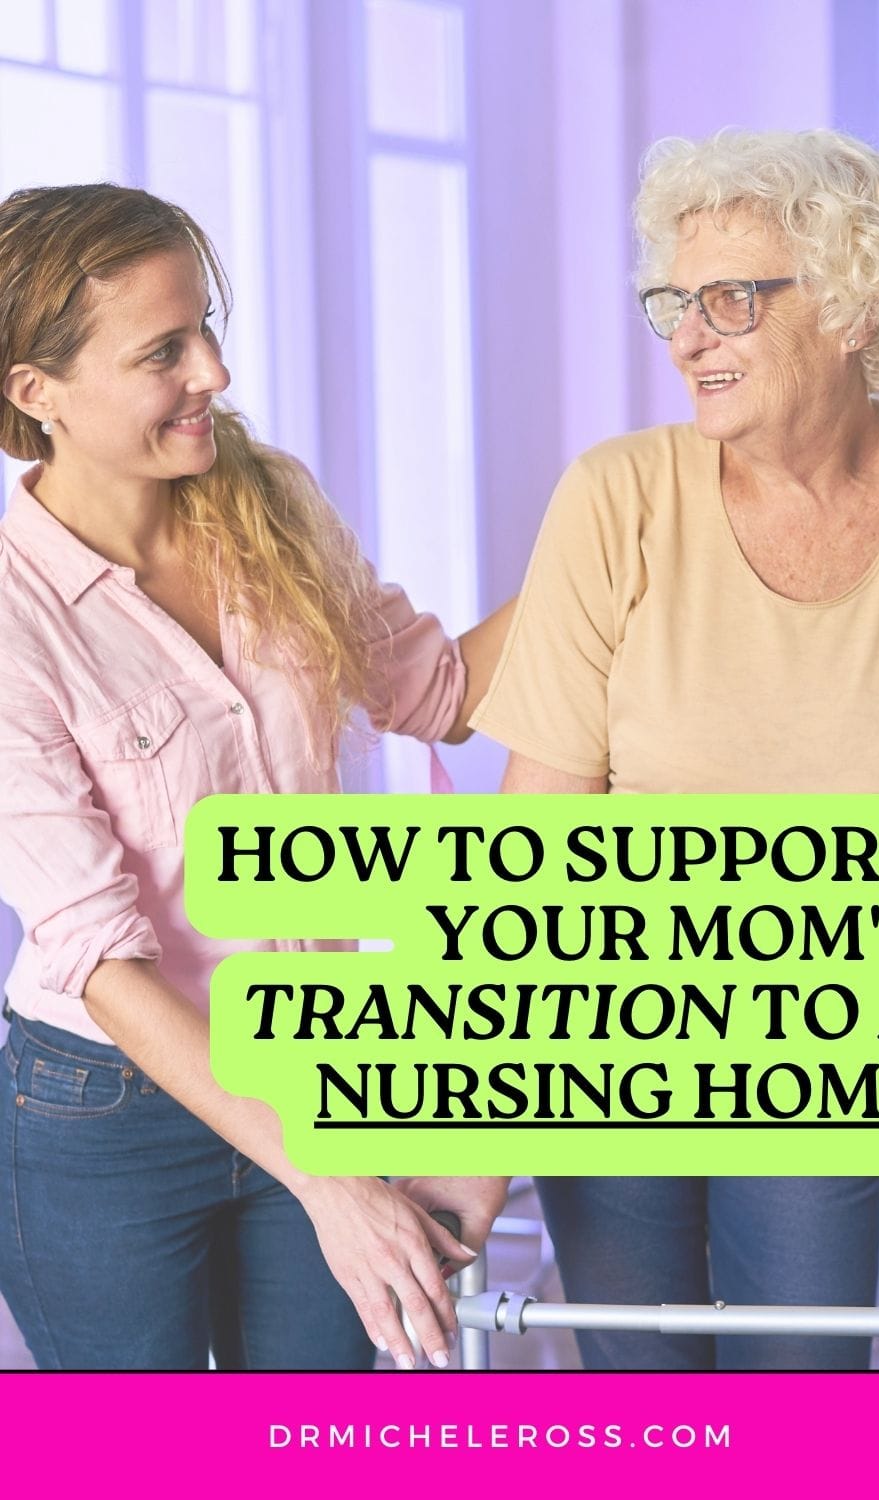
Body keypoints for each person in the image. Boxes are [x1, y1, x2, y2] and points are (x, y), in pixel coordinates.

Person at [471, 126, 879, 1370]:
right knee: (640, 1397)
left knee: (801, 1393)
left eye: (729, 299)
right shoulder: (616, 494)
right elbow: (530, 829)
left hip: (833, 1020)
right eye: (672, 301)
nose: (684, 338)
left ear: (857, 301)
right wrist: (468, 1135)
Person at [0, 183, 510, 1371]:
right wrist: (329, 1177)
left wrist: (631, 527)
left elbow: (432, 691)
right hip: (107, 1108)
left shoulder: (267, 500)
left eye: (209, 328)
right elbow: (99, 951)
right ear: (39, 394)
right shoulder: (14, 621)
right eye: (164, 351)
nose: (215, 375)